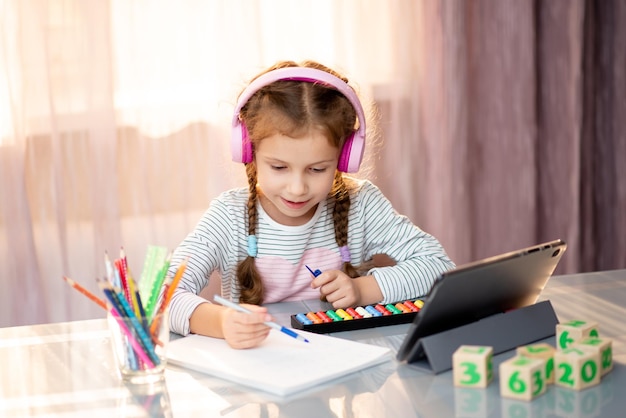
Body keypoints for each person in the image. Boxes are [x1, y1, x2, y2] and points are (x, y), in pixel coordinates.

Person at [167, 60, 455, 348]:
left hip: (341, 366)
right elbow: (164, 296)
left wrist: (361, 289)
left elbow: (438, 267)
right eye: (279, 167)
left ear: (345, 159)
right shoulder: (228, 216)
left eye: (317, 170)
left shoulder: (362, 205)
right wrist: (221, 322)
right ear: (248, 151)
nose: (297, 188)